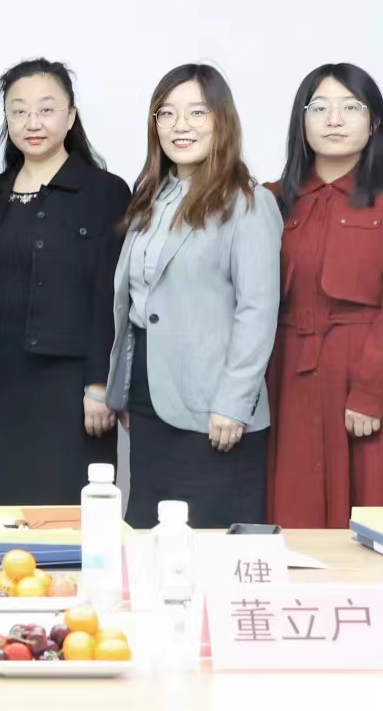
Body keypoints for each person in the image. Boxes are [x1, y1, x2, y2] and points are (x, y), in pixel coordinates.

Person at [103, 64, 280, 529]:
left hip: (214, 409)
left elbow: (257, 311)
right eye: (167, 113)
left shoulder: (248, 202)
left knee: (209, 544)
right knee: (149, 539)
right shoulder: (152, 196)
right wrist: (124, 388)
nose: (180, 125)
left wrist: (233, 403)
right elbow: (139, 303)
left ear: (222, 119)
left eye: (197, 112)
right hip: (149, 399)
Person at [265, 63, 383, 528]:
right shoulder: (269, 199)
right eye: (319, 108)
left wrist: (372, 391)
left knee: (374, 507)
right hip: (286, 377)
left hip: (368, 372)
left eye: (350, 107)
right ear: (302, 121)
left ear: (374, 121)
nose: (334, 120)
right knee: (291, 507)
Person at [0, 59, 127, 506]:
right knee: (8, 515)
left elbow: (111, 296)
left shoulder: (105, 192)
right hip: (4, 382)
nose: (32, 123)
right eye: (18, 111)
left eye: (46, 109)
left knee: (72, 515)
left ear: (71, 117)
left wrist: (100, 384)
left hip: (73, 385)